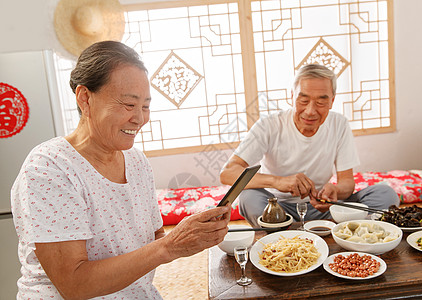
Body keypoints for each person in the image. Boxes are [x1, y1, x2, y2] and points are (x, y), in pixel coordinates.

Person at [11, 41, 231, 299]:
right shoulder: (48, 168)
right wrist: (170, 246)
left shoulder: (136, 161)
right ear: (85, 98)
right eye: (129, 104)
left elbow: (154, 238)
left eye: (145, 106)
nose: (139, 118)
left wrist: (190, 231)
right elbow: (74, 284)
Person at [220, 64, 399, 227]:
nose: (311, 111)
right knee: (248, 197)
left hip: (323, 209)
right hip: (277, 208)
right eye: (303, 100)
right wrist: (278, 181)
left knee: (385, 194)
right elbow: (228, 173)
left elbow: (347, 183)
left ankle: (321, 231)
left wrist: (334, 191)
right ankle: (300, 232)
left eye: (321, 102)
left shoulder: (339, 124)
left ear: (332, 101)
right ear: (291, 97)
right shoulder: (269, 125)